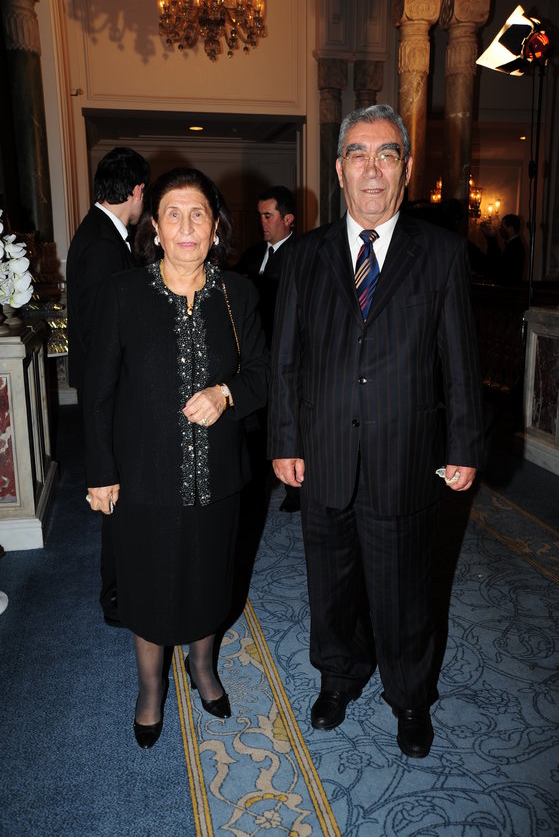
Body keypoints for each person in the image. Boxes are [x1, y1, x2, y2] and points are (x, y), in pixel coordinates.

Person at [268, 104, 484, 758]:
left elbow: (459, 361)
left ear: (405, 169)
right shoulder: (303, 256)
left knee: (405, 593)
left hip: (406, 458)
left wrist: (464, 445)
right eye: (357, 154)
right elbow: (285, 360)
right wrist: (284, 440)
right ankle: (338, 678)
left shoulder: (441, 254)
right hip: (323, 455)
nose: (371, 168)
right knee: (330, 586)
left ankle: (410, 697)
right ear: (338, 169)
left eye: (386, 154)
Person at [82, 167, 268, 749]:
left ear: (216, 228)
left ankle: (203, 666)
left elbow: (263, 375)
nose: (186, 227)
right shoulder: (123, 294)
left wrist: (225, 394)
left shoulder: (239, 294)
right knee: (147, 585)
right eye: (173, 215)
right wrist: (101, 471)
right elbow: (98, 392)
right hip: (142, 478)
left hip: (219, 477)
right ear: (156, 229)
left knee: (211, 580)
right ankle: (150, 687)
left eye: (198, 215)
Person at [66, 147, 150, 628]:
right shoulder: (102, 243)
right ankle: (115, 596)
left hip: (105, 385)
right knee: (113, 489)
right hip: (109, 389)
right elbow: (101, 331)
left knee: (118, 489)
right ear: (137, 190)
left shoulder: (99, 232)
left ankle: (120, 588)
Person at [234, 186, 300, 512]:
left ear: (288, 218)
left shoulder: (302, 255)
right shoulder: (251, 255)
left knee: (286, 420)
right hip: (253, 354)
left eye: (268, 215)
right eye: (260, 215)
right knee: (256, 421)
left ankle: (295, 490)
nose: (262, 222)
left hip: (286, 353)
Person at [482, 213, 525, 284]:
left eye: (502, 227)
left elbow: (498, 267)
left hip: (508, 288)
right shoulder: (514, 244)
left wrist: (492, 239)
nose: (500, 230)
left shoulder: (515, 247)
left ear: (511, 228)